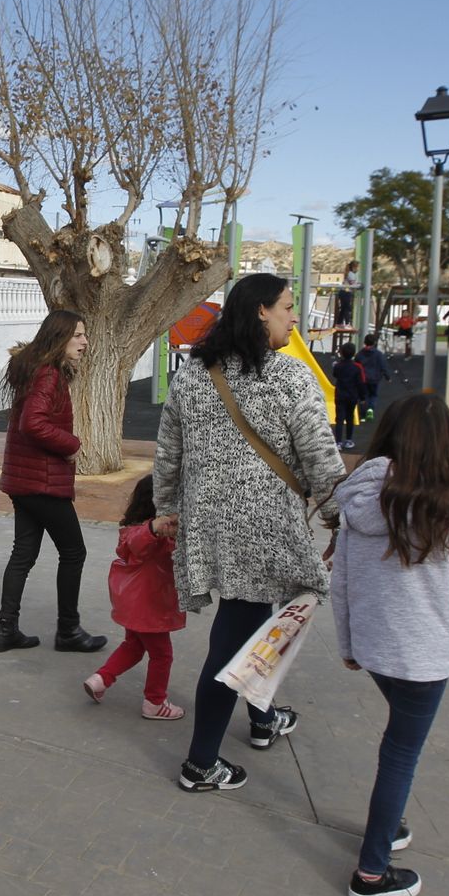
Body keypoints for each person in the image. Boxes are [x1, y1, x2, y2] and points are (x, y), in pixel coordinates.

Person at [153, 273, 345, 793]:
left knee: (257, 626)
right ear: (261, 311)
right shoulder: (290, 376)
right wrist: (339, 520)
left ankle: (263, 718)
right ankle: (200, 764)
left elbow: (168, 453)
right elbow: (322, 461)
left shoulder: (194, 375)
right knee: (233, 642)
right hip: (265, 531)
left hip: (207, 527)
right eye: (288, 306)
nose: (294, 317)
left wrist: (166, 509)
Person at [332, 394, 449, 896]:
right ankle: (371, 874)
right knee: (400, 754)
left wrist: (348, 644)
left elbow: (342, 581)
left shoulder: (358, 499)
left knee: (398, 746)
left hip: (374, 650)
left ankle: (389, 824)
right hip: (423, 658)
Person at [0, 310, 106, 654]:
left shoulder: (35, 369)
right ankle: (68, 630)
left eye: (84, 335)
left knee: (23, 553)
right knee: (74, 552)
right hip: (41, 481)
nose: (85, 342)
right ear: (59, 338)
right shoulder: (48, 374)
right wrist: (71, 445)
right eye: (78, 335)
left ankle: (6, 630)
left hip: (23, 479)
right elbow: (33, 423)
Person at [82, 476, 185, 720]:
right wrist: (155, 528)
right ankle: (155, 702)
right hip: (150, 608)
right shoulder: (150, 534)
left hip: (133, 605)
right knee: (162, 655)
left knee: (134, 646)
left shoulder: (133, 529)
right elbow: (139, 543)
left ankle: (101, 679)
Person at [331, 343, 368, 450]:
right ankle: (348, 440)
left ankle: (338, 442)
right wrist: (362, 397)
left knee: (339, 419)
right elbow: (360, 383)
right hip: (352, 396)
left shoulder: (338, 366)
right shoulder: (357, 367)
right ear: (354, 353)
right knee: (350, 417)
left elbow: (335, 374)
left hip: (340, 395)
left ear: (342, 353)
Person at [357, 334, 389, 419]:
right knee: (373, 395)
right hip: (375, 378)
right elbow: (383, 366)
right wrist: (387, 376)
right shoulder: (378, 354)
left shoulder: (360, 354)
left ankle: (363, 414)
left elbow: (356, 365)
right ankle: (370, 409)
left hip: (363, 378)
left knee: (364, 395)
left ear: (364, 342)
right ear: (375, 342)